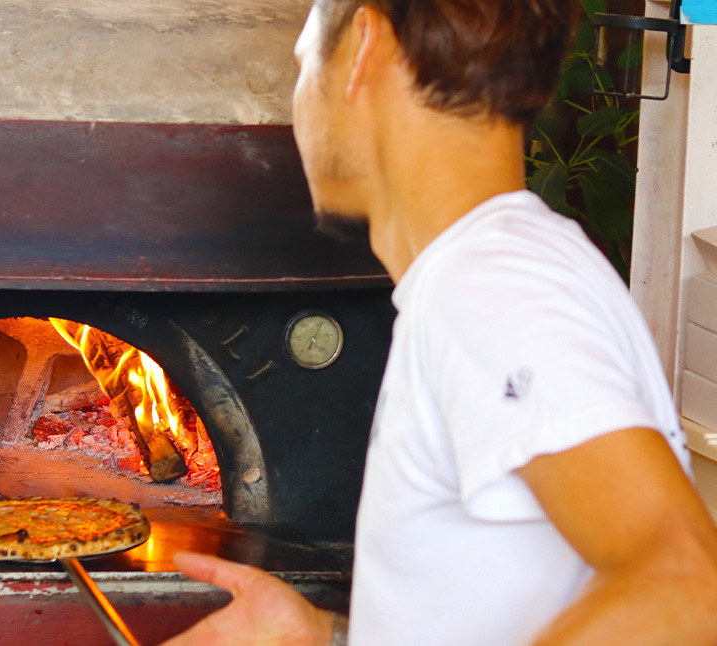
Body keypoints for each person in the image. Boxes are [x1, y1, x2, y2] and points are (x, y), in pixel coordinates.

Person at [161, 1, 717, 645]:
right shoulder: (495, 270)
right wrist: (324, 637)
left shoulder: (493, 280)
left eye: (304, 62)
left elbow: (687, 585)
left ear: (363, 45)